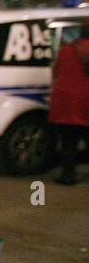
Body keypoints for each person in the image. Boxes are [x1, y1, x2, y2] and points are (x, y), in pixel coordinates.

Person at [49, 33, 89, 186]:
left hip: (65, 103)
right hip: (85, 102)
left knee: (68, 143)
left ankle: (68, 175)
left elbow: (56, 71)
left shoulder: (66, 49)